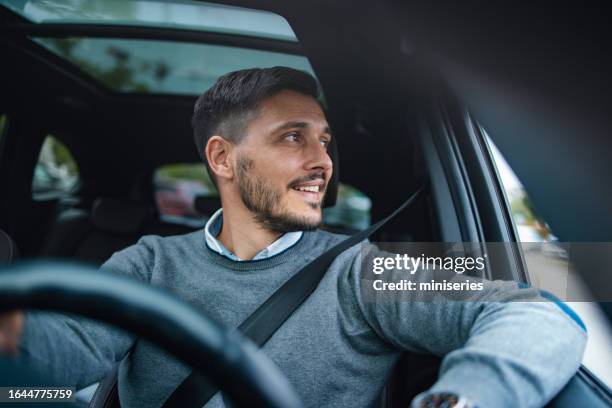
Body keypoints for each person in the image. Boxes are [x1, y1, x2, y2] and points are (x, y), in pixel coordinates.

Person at [0, 67, 586, 408]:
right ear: (223, 159)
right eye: (292, 138)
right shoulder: (148, 264)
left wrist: (465, 399)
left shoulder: (363, 271)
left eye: (325, 141)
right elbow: (59, 353)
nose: (322, 162)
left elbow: (536, 314)